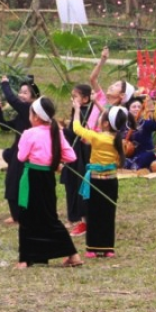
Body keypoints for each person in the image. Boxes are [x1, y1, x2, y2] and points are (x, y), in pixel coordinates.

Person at [15, 97, 81, 268]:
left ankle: (24, 260)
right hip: (48, 179)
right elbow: (71, 156)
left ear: (35, 116)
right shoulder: (56, 132)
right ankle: (73, 255)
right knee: (50, 218)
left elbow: (21, 156)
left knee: (27, 217)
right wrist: (57, 163)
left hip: (32, 179)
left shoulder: (29, 133)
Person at [72, 98, 127, 258]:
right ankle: (108, 248)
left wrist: (76, 109)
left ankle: (92, 249)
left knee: (93, 214)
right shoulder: (118, 140)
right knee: (108, 214)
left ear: (105, 124)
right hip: (111, 182)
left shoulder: (97, 138)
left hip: (95, 181)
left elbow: (76, 128)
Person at [0, 75, 39, 225]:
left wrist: (5, 84)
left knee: (22, 184)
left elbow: (12, 100)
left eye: (25, 92)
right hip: (16, 153)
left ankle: (24, 214)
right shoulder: (21, 114)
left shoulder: (29, 110)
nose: (21, 95)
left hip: (27, 155)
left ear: (33, 97)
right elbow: (4, 126)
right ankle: (16, 215)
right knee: (11, 183)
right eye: (20, 92)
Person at [60, 84, 94, 237]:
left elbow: (78, 131)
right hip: (73, 155)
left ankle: (83, 220)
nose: (72, 100)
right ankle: (72, 217)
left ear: (85, 99)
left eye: (75, 97)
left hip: (83, 155)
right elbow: (72, 134)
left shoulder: (88, 112)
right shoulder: (77, 111)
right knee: (70, 184)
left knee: (80, 186)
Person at [124, 96, 156, 170]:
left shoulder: (146, 123)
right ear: (128, 110)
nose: (137, 109)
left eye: (139, 107)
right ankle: (129, 164)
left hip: (144, 153)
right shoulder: (124, 125)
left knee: (148, 156)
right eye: (134, 107)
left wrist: (151, 107)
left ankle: (133, 165)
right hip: (129, 154)